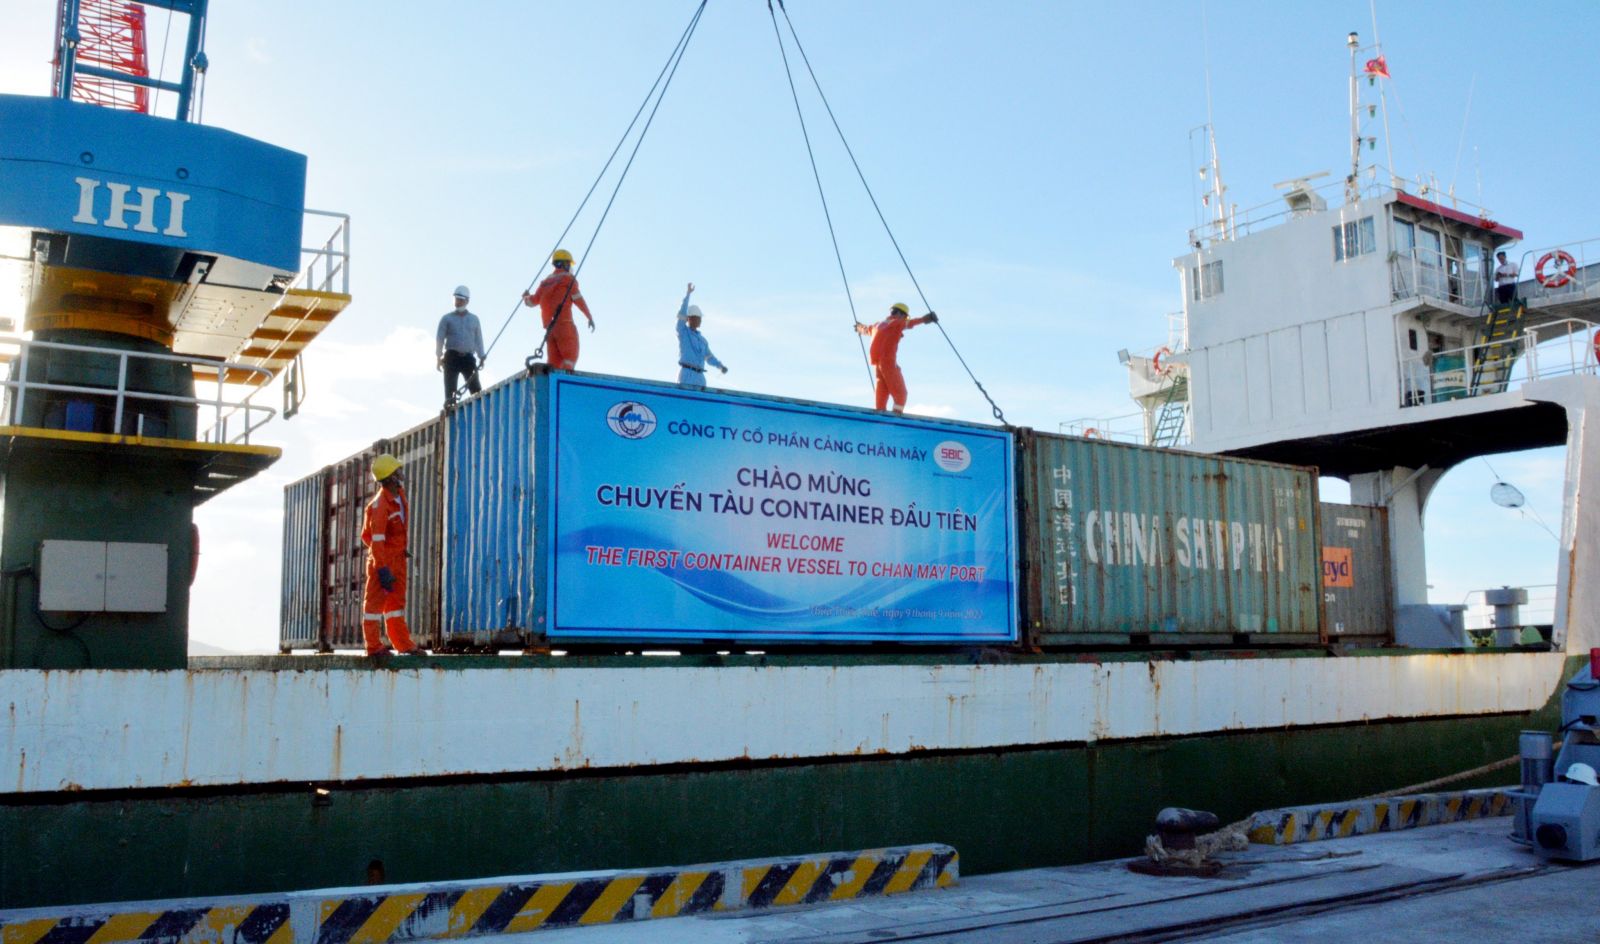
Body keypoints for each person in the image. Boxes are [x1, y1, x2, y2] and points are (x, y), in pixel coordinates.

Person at [361, 454, 425, 658]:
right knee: (373, 607)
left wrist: (399, 549)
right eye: (397, 471)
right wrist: (382, 567)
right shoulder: (380, 506)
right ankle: (373, 647)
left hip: (397, 561)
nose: (401, 473)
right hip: (383, 563)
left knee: (395, 606)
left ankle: (403, 644)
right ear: (390, 477)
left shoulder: (399, 496)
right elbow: (372, 538)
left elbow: (394, 532)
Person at [854, 302, 937, 413]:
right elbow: (910, 323)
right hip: (888, 362)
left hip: (877, 365)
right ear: (900, 314)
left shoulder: (878, 325)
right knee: (901, 394)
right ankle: (896, 417)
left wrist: (859, 327)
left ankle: (879, 416)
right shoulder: (897, 323)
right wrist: (926, 319)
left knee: (882, 393)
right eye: (904, 317)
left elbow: (866, 329)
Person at [523, 249, 593, 369]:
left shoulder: (544, 283)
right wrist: (589, 317)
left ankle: (552, 383)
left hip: (550, 330)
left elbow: (532, 301)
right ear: (564, 264)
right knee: (570, 357)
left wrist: (525, 297)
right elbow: (579, 300)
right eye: (569, 264)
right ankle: (566, 382)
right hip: (564, 325)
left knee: (553, 363)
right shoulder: (568, 279)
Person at [436, 285, 485, 409]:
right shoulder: (446, 319)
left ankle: (480, 414)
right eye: (456, 299)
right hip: (451, 358)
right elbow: (440, 338)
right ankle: (449, 416)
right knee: (450, 393)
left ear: (467, 301)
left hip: (468, 358)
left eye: (460, 300)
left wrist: (481, 356)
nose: (457, 302)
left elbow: (478, 339)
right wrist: (438, 356)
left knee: (476, 390)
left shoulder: (474, 319)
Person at [675, 282, 727, 387]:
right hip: (686, 373)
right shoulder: (683, 332)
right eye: (696, 318)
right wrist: (688, 294)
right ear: (689, 318)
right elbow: (681, 315)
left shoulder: (703, 341)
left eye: (699, 318)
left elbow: (710, 358)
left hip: (700, 377)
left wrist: (720, 366)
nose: (699, 321)